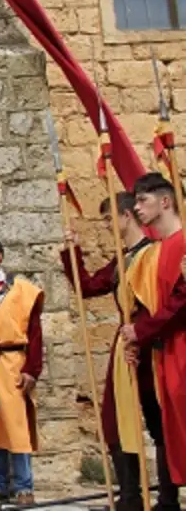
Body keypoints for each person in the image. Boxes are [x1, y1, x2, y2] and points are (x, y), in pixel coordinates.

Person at [60, 192, 160, 511]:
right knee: (116, 420)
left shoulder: (152, 254)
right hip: (124, 345)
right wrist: (72, 251)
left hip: (150, 343)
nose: (105, 226)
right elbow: (88, 286)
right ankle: (130, 495)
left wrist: (141, 334)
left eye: (108, 219)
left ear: (127, 215)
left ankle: (167, 498)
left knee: (157, 418)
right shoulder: (121, 260)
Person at [117, 172, 186, 508]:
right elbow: (149, 305)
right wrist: (139, 342)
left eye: (143, 200)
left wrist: (141, 331)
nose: (137, 207)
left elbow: (182, 301)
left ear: (166, 201)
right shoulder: (155, 252)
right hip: (165, 350)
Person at [0, 236, 44, 505]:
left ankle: (23, 485)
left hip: (12, 361)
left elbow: (35, 332)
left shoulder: (20, 290)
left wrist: (32, 369)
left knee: (16, 425)